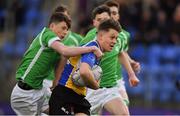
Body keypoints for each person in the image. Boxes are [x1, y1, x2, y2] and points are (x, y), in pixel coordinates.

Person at [10, 12, 102, 115]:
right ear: (52, 26)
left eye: (67, 29)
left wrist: (56, 82)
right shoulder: (47, 34)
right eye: (63, 28)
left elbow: (64, 60)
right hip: (24, 95)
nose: (65, 32)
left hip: (40, 90)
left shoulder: (58, 45)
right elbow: (65, 51)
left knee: (59, 110)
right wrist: (92, 48)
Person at [49, 19, 121, 115]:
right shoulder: (92, 49)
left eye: (116, 38)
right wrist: (96, 86)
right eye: (112, 37)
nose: (115, 41)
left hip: (77, 97)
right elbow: (84, 72)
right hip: (65, 95)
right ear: (100, 36)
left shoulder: (97, 52)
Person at [81, 2, 140, 115]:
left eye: (105, 19)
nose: (102, 22)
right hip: (91, 90)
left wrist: (131, 74)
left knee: (124, 113)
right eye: (99, 19)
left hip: (111, 87)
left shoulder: (121, 36)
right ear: (94, 22)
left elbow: (121, 53)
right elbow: (78, 63)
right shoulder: (89, 39)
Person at [43, 4, 84, 102]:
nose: (63, 20)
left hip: (68, 82)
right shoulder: (47, 36)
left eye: (65, 17)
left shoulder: (77, 39)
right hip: (46, 79)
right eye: (60, 17)